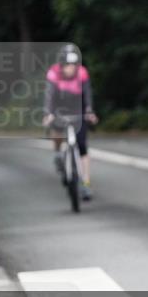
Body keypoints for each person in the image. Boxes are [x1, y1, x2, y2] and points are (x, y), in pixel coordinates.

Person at [42, 44, 99, 200]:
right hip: (59, 106)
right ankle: (57, 154)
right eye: (67, 65)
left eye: (74, 64)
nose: (71, 68)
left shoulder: (82, 73)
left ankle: (86, 183)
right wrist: (48, 114)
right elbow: (49, 95)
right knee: (55, 127)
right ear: (61, 64)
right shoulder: (53, 73)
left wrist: (89, 111)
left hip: (77, 107)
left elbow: (87, 93)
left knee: (82, 147)